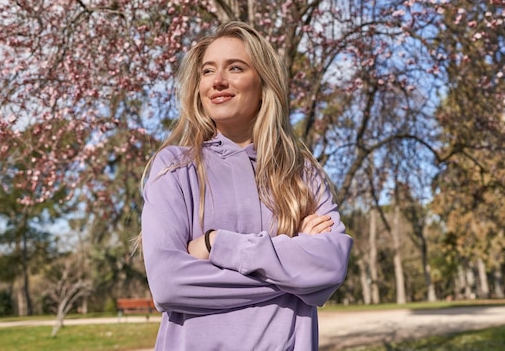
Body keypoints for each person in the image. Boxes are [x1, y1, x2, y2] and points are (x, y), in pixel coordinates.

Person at [140, 21, 353, 351]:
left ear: (263, 81)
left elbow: (331, 266)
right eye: (208, 71)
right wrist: (295, 274)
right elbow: (169, 285)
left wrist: (216, 244)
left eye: (235, 68)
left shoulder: (301, 172)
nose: (218, 81)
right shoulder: (174, 167)